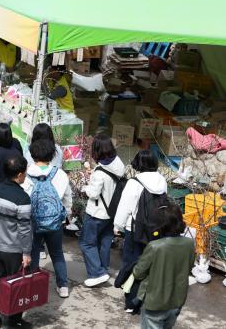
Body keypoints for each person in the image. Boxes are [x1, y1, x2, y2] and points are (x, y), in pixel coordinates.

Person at [114, 150, 167, 313]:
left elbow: (125, 207)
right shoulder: (162, 181)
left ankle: (132, 303)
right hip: (157, 229)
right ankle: (148, 298)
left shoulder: (134, 182)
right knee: (150, 265)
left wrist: (117, 226)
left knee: (132, 265)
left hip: (136, 230)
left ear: (139, 163)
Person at [0, 156, 33, 329]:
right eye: (25, 172)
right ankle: (12, 321)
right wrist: (27, 252)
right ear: (19, 175)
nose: (25, 175)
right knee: (15, 285)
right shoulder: (22, 198)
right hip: (14, 250)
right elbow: (25, 229)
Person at [21, 139, 72, 299]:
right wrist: (66, 215)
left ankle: (33, 286)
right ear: (52, 155)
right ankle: (63, 286)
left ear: (32, 154)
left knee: (34, 252)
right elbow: (67, 198)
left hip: (33, 222)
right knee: (57, 253)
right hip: (55, 222)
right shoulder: (60, 174)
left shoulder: (26, 174)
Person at [131, 203, 195, 329]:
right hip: (177, 301)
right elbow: (189, 267)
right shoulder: (189, 243)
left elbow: (138, 273)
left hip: (155, 303)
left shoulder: (154, 247)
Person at [80, 134, 126, 287]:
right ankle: (104, 269)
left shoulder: (100, 172)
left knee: (87, 243)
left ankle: (97, 273)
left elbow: (94, 193)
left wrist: (85, 187)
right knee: (104, 242)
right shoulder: (118, 163)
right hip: (111, 212)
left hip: (97, 213)